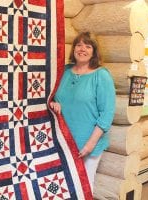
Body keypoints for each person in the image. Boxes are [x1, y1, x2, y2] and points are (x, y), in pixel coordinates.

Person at [50, 32, 116, 193]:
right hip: (63, 140)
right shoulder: (64, 71)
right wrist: (52, 102)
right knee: (63, 184)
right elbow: (50, 94)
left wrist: (90, 144)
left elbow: (107, 114)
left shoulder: (101, 75)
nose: (82, 49)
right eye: (79, 45)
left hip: (87, 143)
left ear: (94, 51)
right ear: (73, 49)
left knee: (83, 185)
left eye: (88, 46)